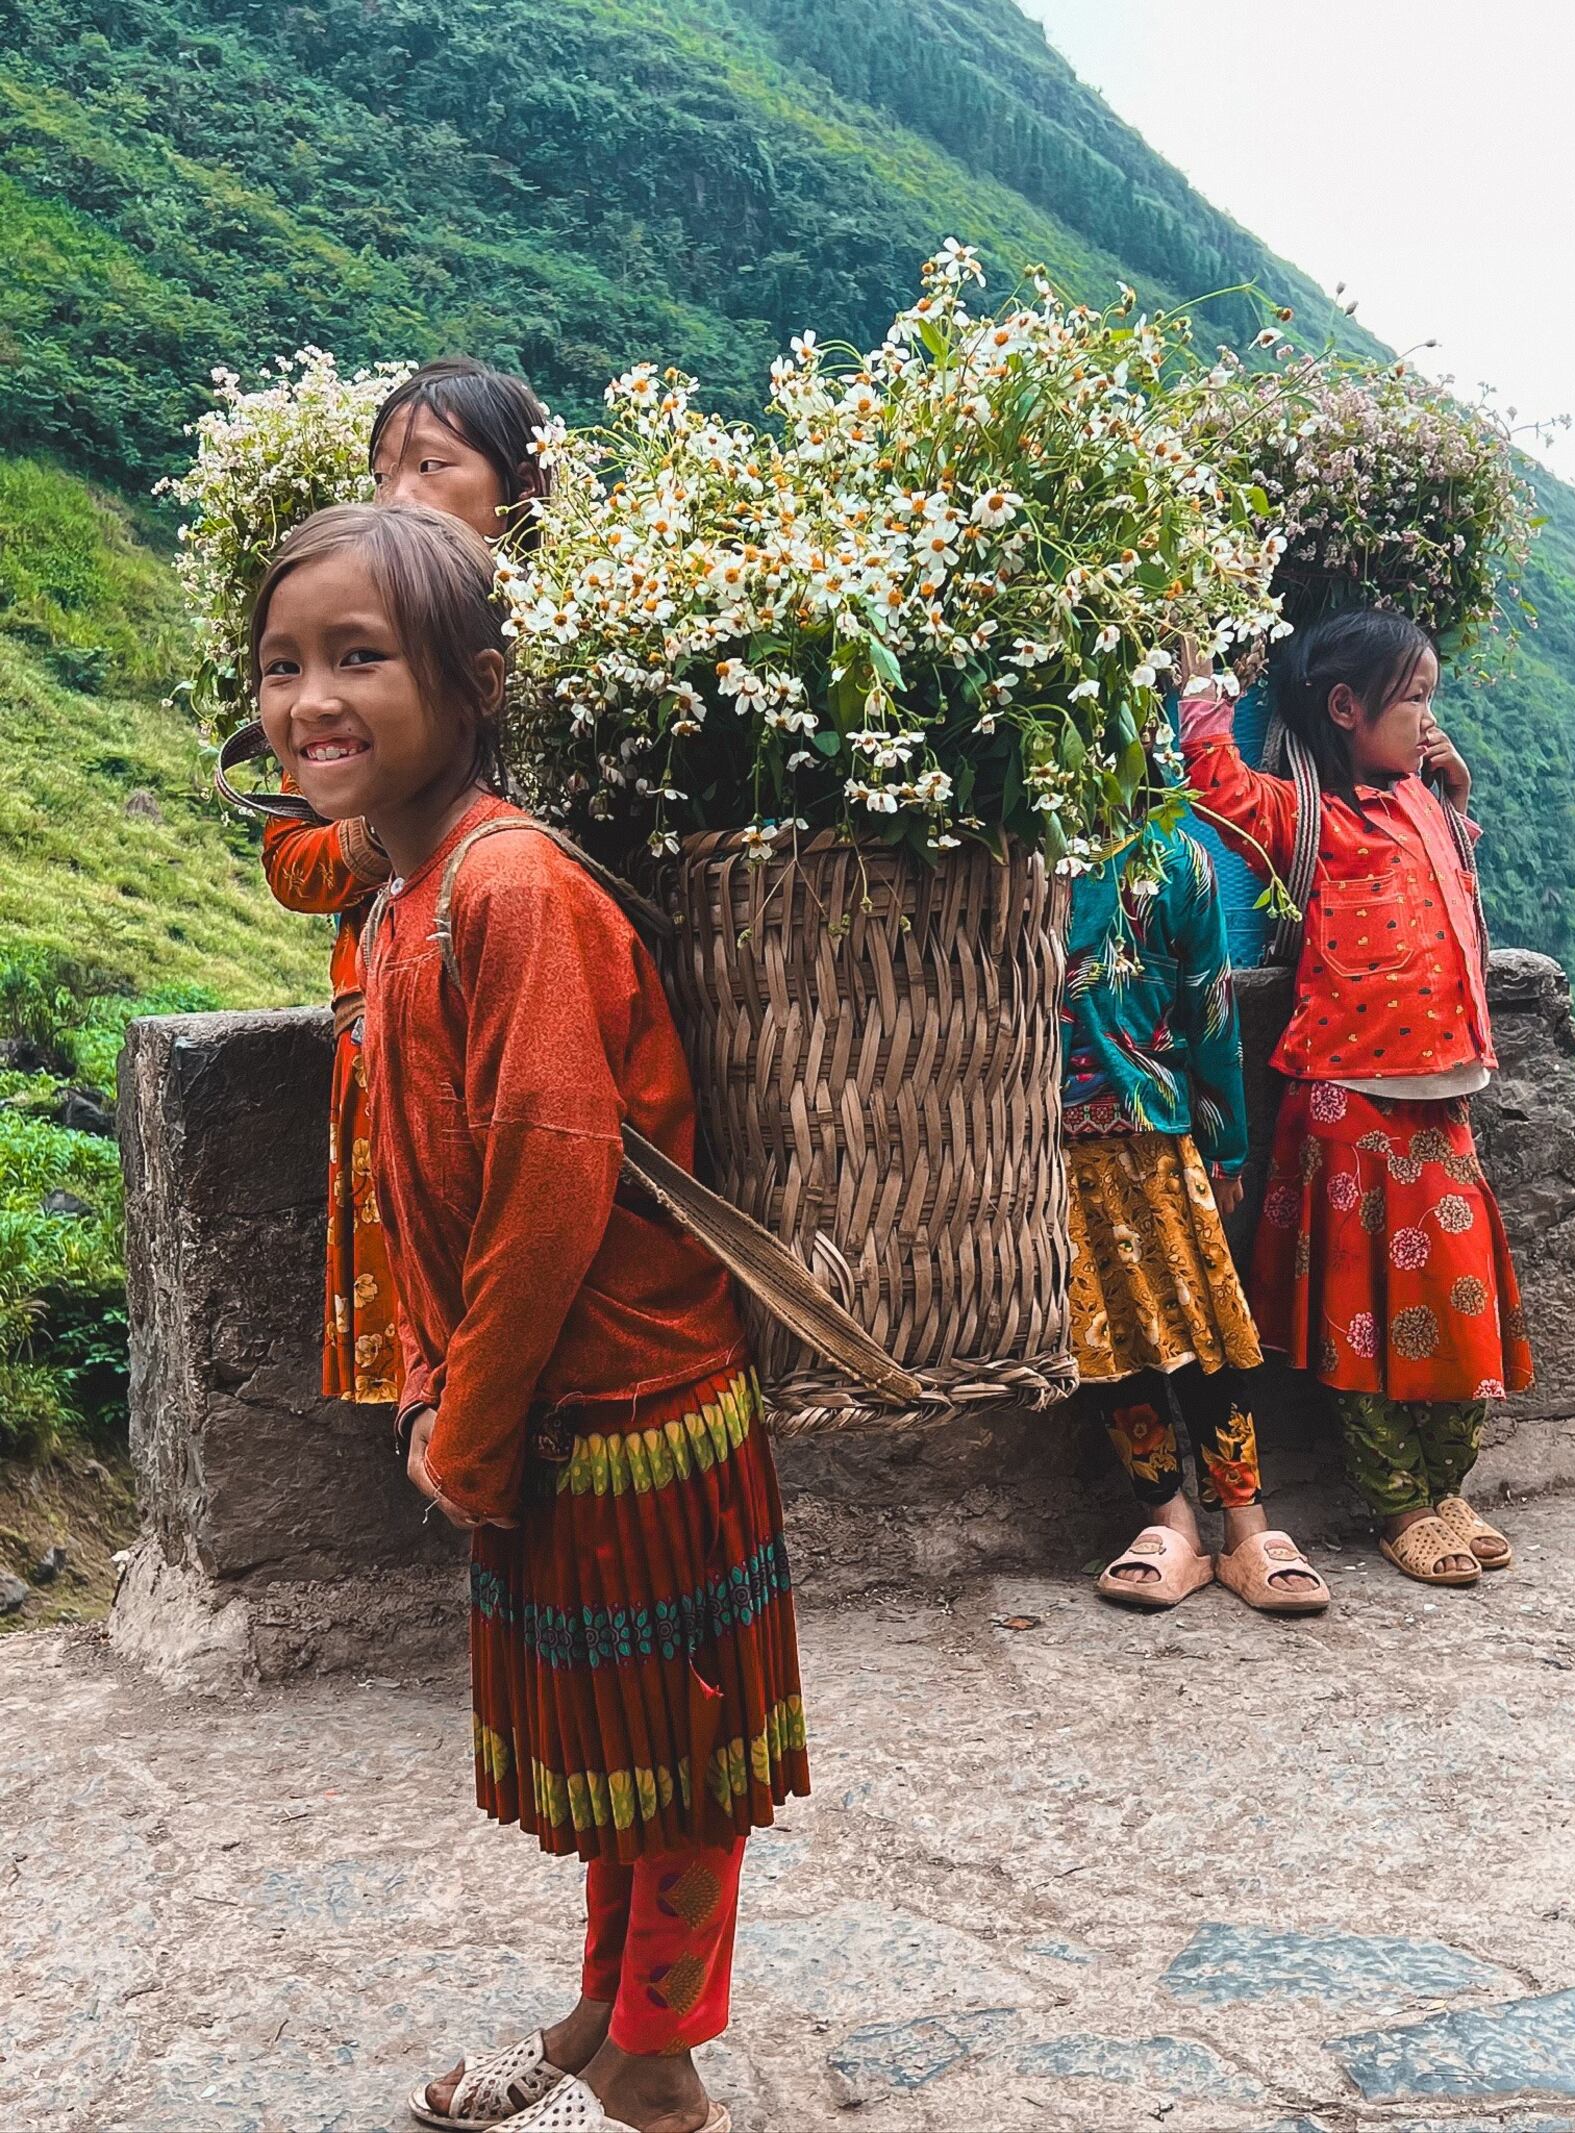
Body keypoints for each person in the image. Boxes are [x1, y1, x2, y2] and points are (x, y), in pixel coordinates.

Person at [252, 501, 805, 2133]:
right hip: (549, 1412)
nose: (310, 701)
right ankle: (608, 2010)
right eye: (282, 666)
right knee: (621, 1754)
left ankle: (658, 2063)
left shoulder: (506, 890)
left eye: (361, 656)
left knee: (676, 1757)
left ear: (475, 685)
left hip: (634, 1410)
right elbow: (438, 1184)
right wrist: (447, 1378)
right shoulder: (408, 897)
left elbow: (553, 1173)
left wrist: (472, 1415)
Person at [1181, 610, 1532, 1587]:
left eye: (1430, 697)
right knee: (1364, 1324)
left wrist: (1453, 796)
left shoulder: (1426, 804)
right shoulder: (1315, 820)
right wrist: (1200, 679)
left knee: (1463, 1305)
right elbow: (1216, 785)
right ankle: (1401, 1505)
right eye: (1412, 698)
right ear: (1344, 707)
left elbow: (1453, 896)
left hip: (1440, 1098)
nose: (1429, 718)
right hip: (1350, 1106)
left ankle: (1443, 1480)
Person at [259, 359, 551, 1405]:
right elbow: (289, 858)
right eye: (383, 470)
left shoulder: (575, 647)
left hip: (522, 1014)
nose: (400, 496)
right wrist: (382, 839)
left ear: (521, 490)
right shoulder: (337, 632)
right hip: (385, 1023)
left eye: (433, 466)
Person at [1063, 808, 1328, 1614]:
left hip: (1153, 1133)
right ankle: (1169, 1522)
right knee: (1103, 1337)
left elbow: (1209, 1007)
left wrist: (1224, 1146)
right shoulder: (1022, 855)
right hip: (1050, 1141)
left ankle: (1247, 1528)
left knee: (1204, 1324)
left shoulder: (1174, 855)